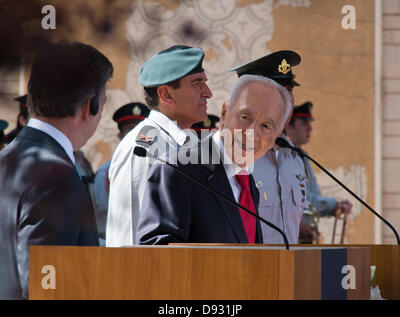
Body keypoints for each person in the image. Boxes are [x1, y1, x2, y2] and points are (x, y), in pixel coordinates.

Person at [0, 41, 113, 300]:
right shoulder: (55, 176)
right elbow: (47, 287)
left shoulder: (6, 158)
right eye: (103, 104)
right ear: (90, 105)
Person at [136, 74, 292, 245]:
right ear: (224, 114)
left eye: (265, 126)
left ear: (276, 137)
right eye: (245, 118)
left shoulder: (249, 185)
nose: (251, 133)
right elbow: (157, 253)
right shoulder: (177, 170)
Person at [106, 45, 213, 246]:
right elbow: (129, 235)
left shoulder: (187, 143)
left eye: (205, 83)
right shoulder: (143, 148)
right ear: (166, 95)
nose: (208, 93)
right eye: (198, 84)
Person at [230, 50, 308, 244]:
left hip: (288, 269)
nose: (288, 101)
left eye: (289, 91)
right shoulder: (231, 156)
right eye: (278, 92)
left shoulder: (294, 157)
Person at [285, 101, 352, 243]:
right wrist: (333, 204)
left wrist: (334, 207)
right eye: (303, 123)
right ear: (289, 127)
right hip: (290, 236)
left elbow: (309, 197)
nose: (310, 128)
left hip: (304, 237)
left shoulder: (302, 156)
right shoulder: (284, 157)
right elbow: (296, 196)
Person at [93, 102, 149, 245]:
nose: (137, 135)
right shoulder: (105, 172)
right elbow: (102, 216)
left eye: (141, 129)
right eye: (131, 129)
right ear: (120, 135)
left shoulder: (158, 164)